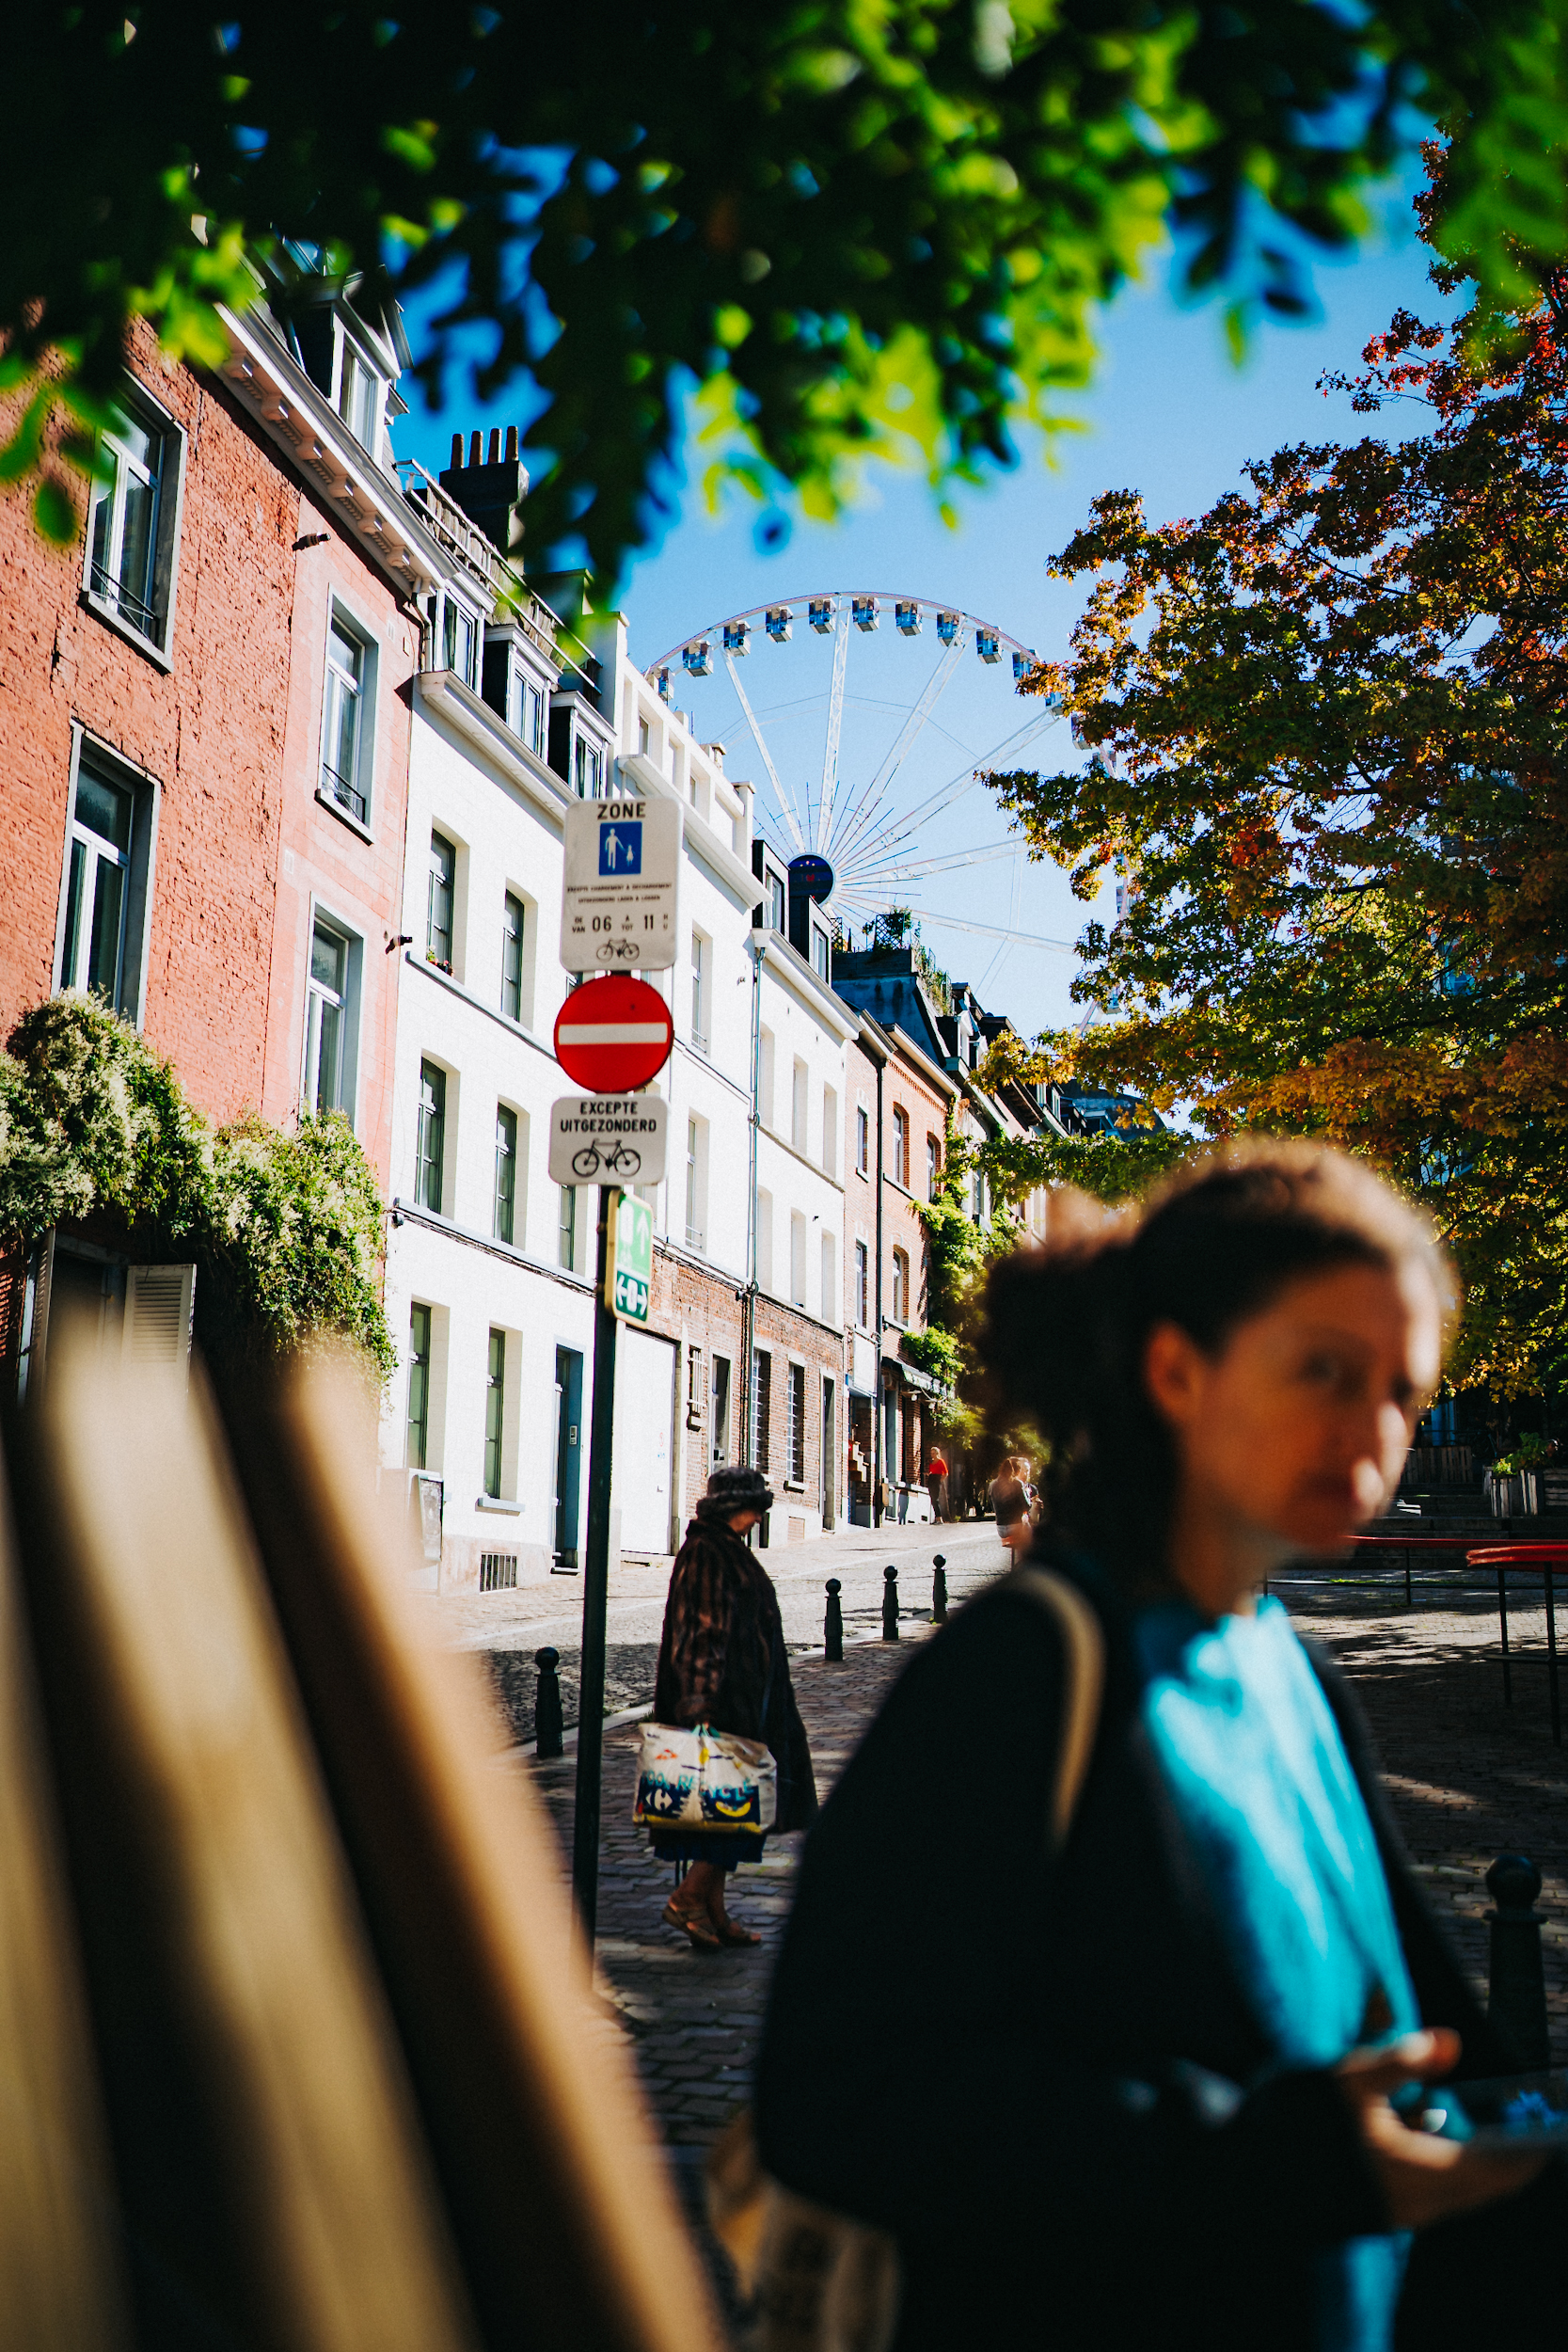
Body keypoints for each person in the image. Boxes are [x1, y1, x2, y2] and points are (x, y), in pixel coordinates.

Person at [756, 1145, 1560, 2350]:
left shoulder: (1288, 1665)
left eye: (1401, 1390)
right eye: (1324, 1372)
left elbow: (1437, 2048)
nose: (1370, 1436)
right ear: (1175, 1369)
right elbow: (840, 2096)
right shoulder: (1021, 1676)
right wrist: (1254, 2155)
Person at [650, 1464, 817, 1951]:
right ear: (737, 1507)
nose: (762, 1514)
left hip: (747, 1702)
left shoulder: (726, 1548)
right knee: (732, 1812)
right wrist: (699, 1707)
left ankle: (714, 1912)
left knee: (727, 1813)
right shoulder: (708, 1552)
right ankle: (687, 1899)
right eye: (757, 1505)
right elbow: (701, 1630)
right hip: (723, 1705)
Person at [924, 1448, 949, 1522]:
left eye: (934, 1453)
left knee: (936, 1499)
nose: (932, 1455)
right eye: (931, 1453)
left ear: (937, 1453)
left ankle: (939, 1518)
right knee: (932, 1499)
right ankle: (936, 1517)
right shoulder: (931, 1462)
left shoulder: (941, 1461)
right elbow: (931, 1471)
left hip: (937, 1479)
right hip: (931, 1479)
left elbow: (946, 1473)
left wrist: (940, 1480)